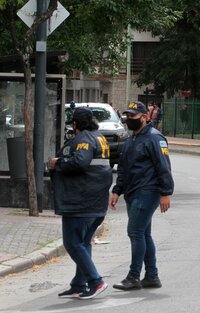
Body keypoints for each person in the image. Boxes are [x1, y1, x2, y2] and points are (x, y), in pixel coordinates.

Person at [109, 101, 174, 291]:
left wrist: (165, 193)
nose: (130, 120)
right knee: (144, 234)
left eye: (134, 116)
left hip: (148, 191)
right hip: (132, 192)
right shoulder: (131, 140)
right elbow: (123, 169)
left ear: (145, 117)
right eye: (128, 116)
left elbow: (164, 167)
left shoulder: (155, 138)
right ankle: (152, 276)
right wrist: (116, 190)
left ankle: (133, 276)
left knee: (135, 232)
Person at [49, 107, 112, 300]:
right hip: (95, 201)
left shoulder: (85, 138)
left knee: (72, 243)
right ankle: (79, 284)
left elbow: (79, 162)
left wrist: (57, 162)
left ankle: (95, 281)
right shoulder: (99, 136)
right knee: (83, 243)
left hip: (81, 202)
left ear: (75, 123)